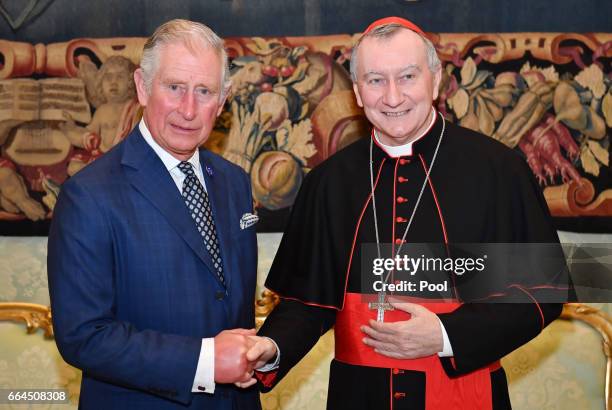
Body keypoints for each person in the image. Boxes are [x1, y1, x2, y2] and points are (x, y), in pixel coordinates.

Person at [244, 17, 567, 409]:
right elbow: (308, 303)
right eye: (376, 80)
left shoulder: (498, 170)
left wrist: (447, 335)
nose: (392, 97)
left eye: (408, 77)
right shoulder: (329, 182)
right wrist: (271, 348)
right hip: (358, 398)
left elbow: (543, 293)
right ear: (358, 93)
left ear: (435, 79)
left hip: (465, 393)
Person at [48, 19, 261, 410]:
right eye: (175, 87)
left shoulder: (234, 182)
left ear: (224, 98)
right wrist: (207, 361)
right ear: (143, 87)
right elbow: (84, 336)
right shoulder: (89, 194)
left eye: (204, 91)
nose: (189, 109)